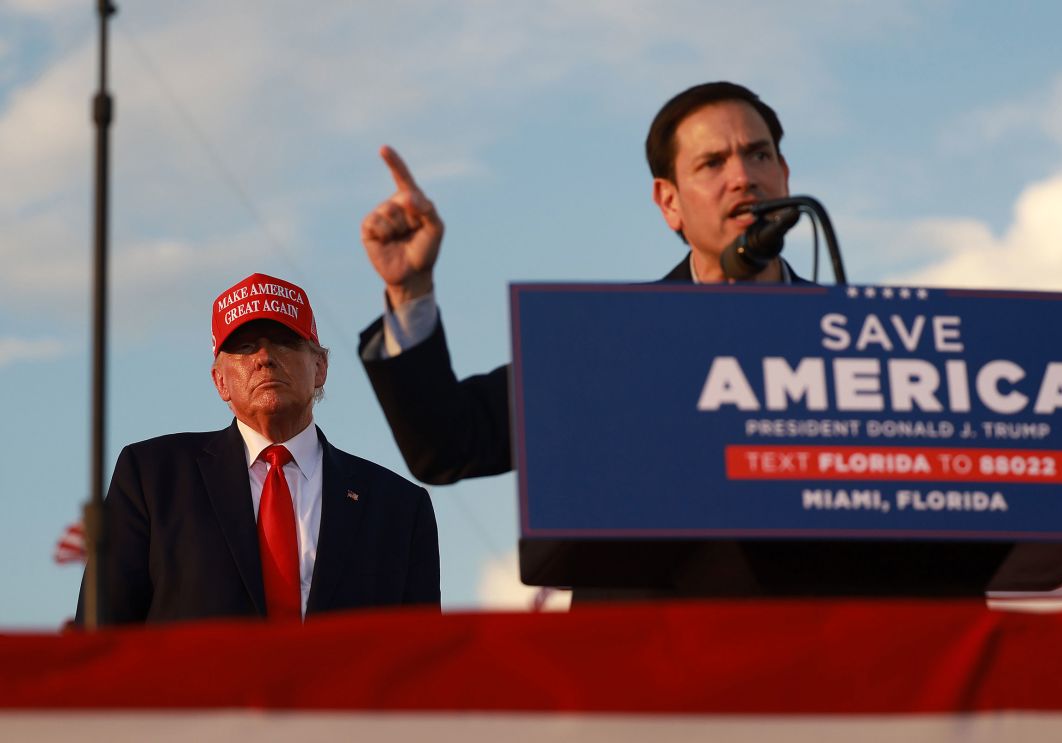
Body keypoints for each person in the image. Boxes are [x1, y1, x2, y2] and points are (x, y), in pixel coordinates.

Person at [359, 82, 807, 484]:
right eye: (712, 163)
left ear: (784, 175)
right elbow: (449, 444)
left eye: (759, 155)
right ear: (669, 202)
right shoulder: (614, 341)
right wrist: (410, 289)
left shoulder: (860, 334)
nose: (744, 179)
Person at [77, 273, 440, 625]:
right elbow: (100, 638)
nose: (264, 358)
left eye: (283, 342)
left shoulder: (398, 507)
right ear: (220, 381)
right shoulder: (153, 479)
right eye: (245, 347)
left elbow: (425, 662)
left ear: (320, 367)